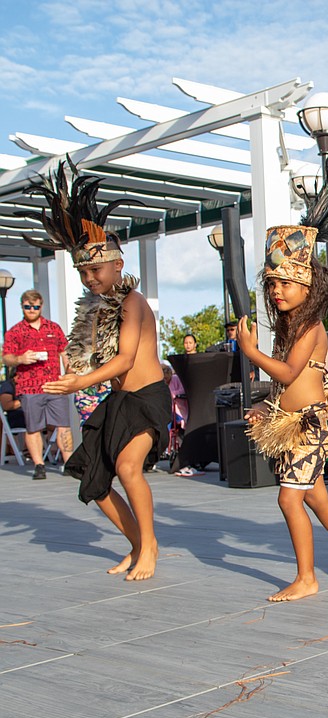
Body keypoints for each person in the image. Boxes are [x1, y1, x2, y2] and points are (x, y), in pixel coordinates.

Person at [20, 158, 171, 582]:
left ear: (118, 265)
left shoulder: (132, 303)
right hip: (119, 401)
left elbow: (125, 360)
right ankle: (137, 544)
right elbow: (96, 357)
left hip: (147, 399)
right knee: (92, 476)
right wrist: (77, 367)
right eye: (83, 271)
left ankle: (150, 545)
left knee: (128, 467)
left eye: (95, 269)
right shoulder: (98, 309)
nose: (89, 278)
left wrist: (80, 382)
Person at [242, 165, 328, 602]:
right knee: (315, 496)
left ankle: (306, 577)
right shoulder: (289, 329)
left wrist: (250, 352)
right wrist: (265, 407)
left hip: (312, 424)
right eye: (273, 284)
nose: (277, 291)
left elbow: (286, 372)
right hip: (292, 421)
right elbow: (283, 385)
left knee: (289, 500)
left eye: (285, 283)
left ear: (306, 285)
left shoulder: (311, 326)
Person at [2, 289, 73, 478]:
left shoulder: (53, 328)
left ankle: (69, 463)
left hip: (55, 385)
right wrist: (20, 359)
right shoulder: (15, 331)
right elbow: (6, 357)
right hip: (29, 387)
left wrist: (70, 373)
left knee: (63, 425)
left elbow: (65, 352)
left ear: (41, 306)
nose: (32, 310)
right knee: (33, 427)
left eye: (35, 306)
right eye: (28, 307)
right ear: (22, 307)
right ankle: (39, 465)